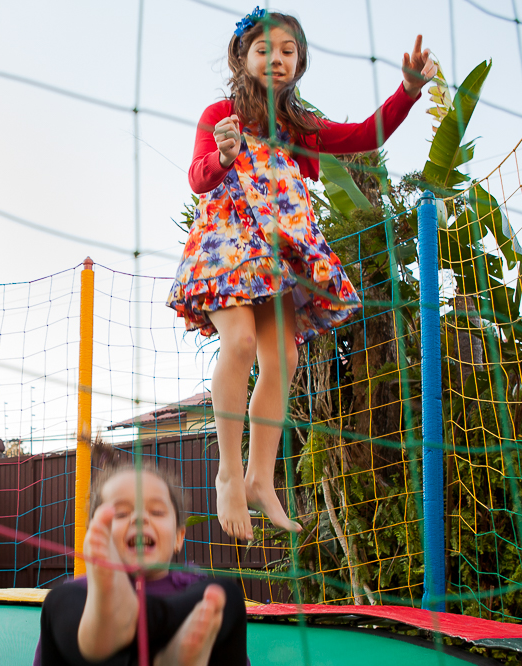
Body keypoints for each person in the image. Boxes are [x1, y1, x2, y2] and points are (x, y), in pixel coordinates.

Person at [167, 7, 437, 538]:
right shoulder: (220, 112)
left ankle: (260, 479)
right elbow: (199, 178)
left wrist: (406, 90)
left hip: (278, 255)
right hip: (227, 249)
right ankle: (227, 471)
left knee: (285, 356)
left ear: (300, 62)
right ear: (241, 58)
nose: (276, 59)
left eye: (288, 51)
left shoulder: (303, 127)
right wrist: (223, 155)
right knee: (240, 344)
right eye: (264, 49)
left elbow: (366, 133)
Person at [22, 462, 268, 666]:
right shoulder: (76, 598)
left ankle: (153, 646)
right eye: (120, 513)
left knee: (225, 598)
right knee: (60, 602)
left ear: (179, 536)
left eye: (157, 512)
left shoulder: (198, 600)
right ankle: (132, 641)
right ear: (95, 533)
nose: (139, 518)